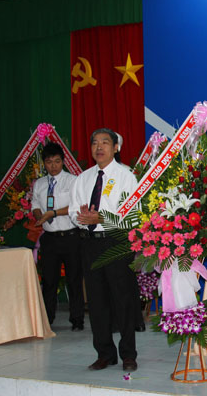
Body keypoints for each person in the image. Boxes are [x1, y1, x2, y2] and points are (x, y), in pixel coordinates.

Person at [69, 128, 140, 372]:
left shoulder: (126, 177)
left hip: (116, 242)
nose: (99, 147)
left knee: (123, 300)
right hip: (89, 243)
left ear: (116, 147)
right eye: (95, 143)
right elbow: (73, 211)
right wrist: (82, 218)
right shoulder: (83, 178)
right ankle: (105, 354)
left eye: (105, 142)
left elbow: (132, 215)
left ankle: (128, 354)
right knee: (96, 301)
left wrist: (102, 218)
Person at [32, 142, 84, 331]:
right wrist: (40, 216)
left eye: (57, 161)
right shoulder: (39, 184)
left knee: (74, 279)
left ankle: (77, 319)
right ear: (44, 163)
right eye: (49, 162)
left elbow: (76, 207)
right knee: (49, 280)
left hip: (71, 237)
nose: (53, 166)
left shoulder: (73, 181)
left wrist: (53, 213)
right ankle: (48, 319)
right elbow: (35, 204)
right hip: (49, 238)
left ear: (63, 161)